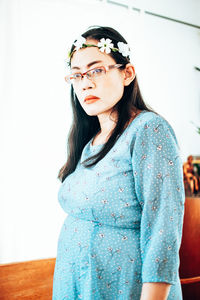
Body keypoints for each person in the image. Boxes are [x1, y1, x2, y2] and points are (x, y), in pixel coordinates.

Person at [52, 26, 185, 300]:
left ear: (127, 73)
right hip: (76, 282)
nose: (85, 83)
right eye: (77, 75)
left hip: (125, 285)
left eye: (96, 70)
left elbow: (164, 225)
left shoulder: (148, 129)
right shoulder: (89, 141)